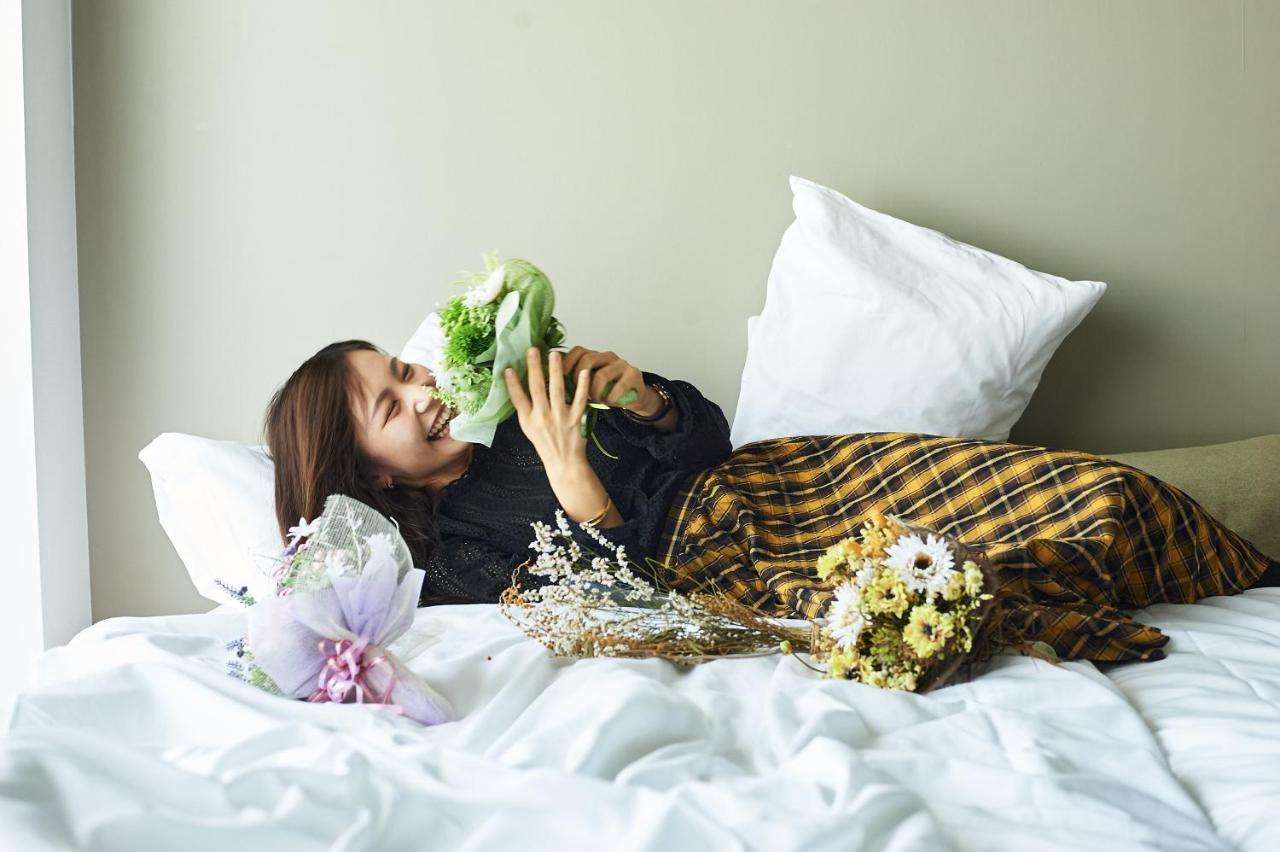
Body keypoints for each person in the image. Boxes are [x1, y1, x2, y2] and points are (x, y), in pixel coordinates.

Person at [264, 339, 1280, 665]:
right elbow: (603, 609)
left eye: (404, 369)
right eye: (387, 405)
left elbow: (704, 439)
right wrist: (574, 479)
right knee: (938, 586)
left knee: (1089, 490)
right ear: (372, 471)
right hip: (717, 562)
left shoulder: (527, 397)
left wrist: (640, 396)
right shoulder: (449, 558)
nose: (421, 392)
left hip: (781, 480)